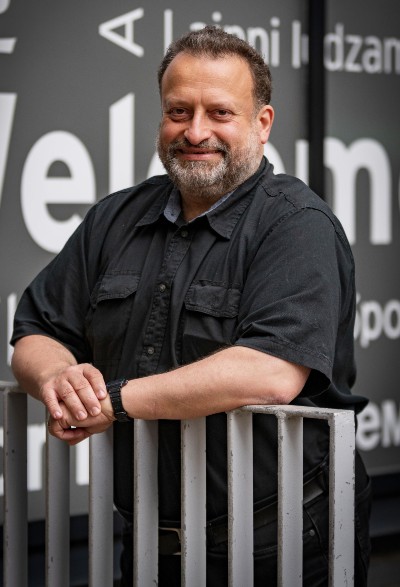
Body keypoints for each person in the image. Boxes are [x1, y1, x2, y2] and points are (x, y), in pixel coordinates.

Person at [11, 25, 371, 586]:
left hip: (280, 548)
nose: (195, 131)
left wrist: (116, 401)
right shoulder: (114, 219)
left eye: (220, 113)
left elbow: (271, 369)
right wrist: (57, 376)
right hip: (152, 548)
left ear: (262, 123)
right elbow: (35, 327)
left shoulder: (298, 226)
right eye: (179, 111)